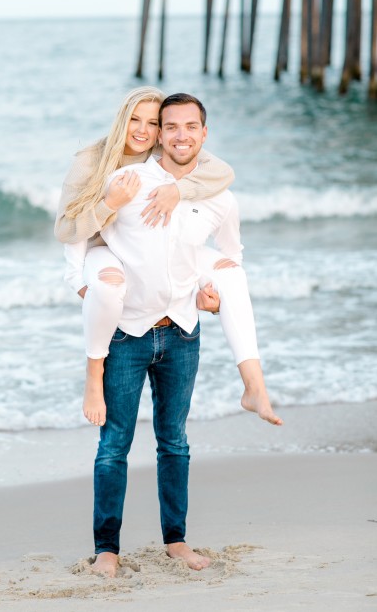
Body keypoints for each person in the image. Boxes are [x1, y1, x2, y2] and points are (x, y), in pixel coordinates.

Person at [80, 93, 281, 576]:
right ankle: (107, 549)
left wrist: (212, 293)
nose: (181, 135)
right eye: (170, 127)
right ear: (159, 136)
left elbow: (230, 256)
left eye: (191, 127)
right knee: (114, 446)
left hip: (182, 334)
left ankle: (177, 541)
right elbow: (85, 239)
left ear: (204, 134)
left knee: (174, 442)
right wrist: (86, 283)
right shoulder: (127, 181)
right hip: (127, 334)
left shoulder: (220, 198)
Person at [55, 87, 281, 429]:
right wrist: (79, 278)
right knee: (109, 286)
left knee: (233, 274)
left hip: (156, 254)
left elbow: (223, 174)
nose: (142, 131)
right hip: (104, 250)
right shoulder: (92, 161)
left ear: (160, 130)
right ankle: (93, 374)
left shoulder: (164, 147)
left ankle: (254, 386)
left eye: (152, 123)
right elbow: (68, 230)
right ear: (121, 120)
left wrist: (178, 190)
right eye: (134, 120)